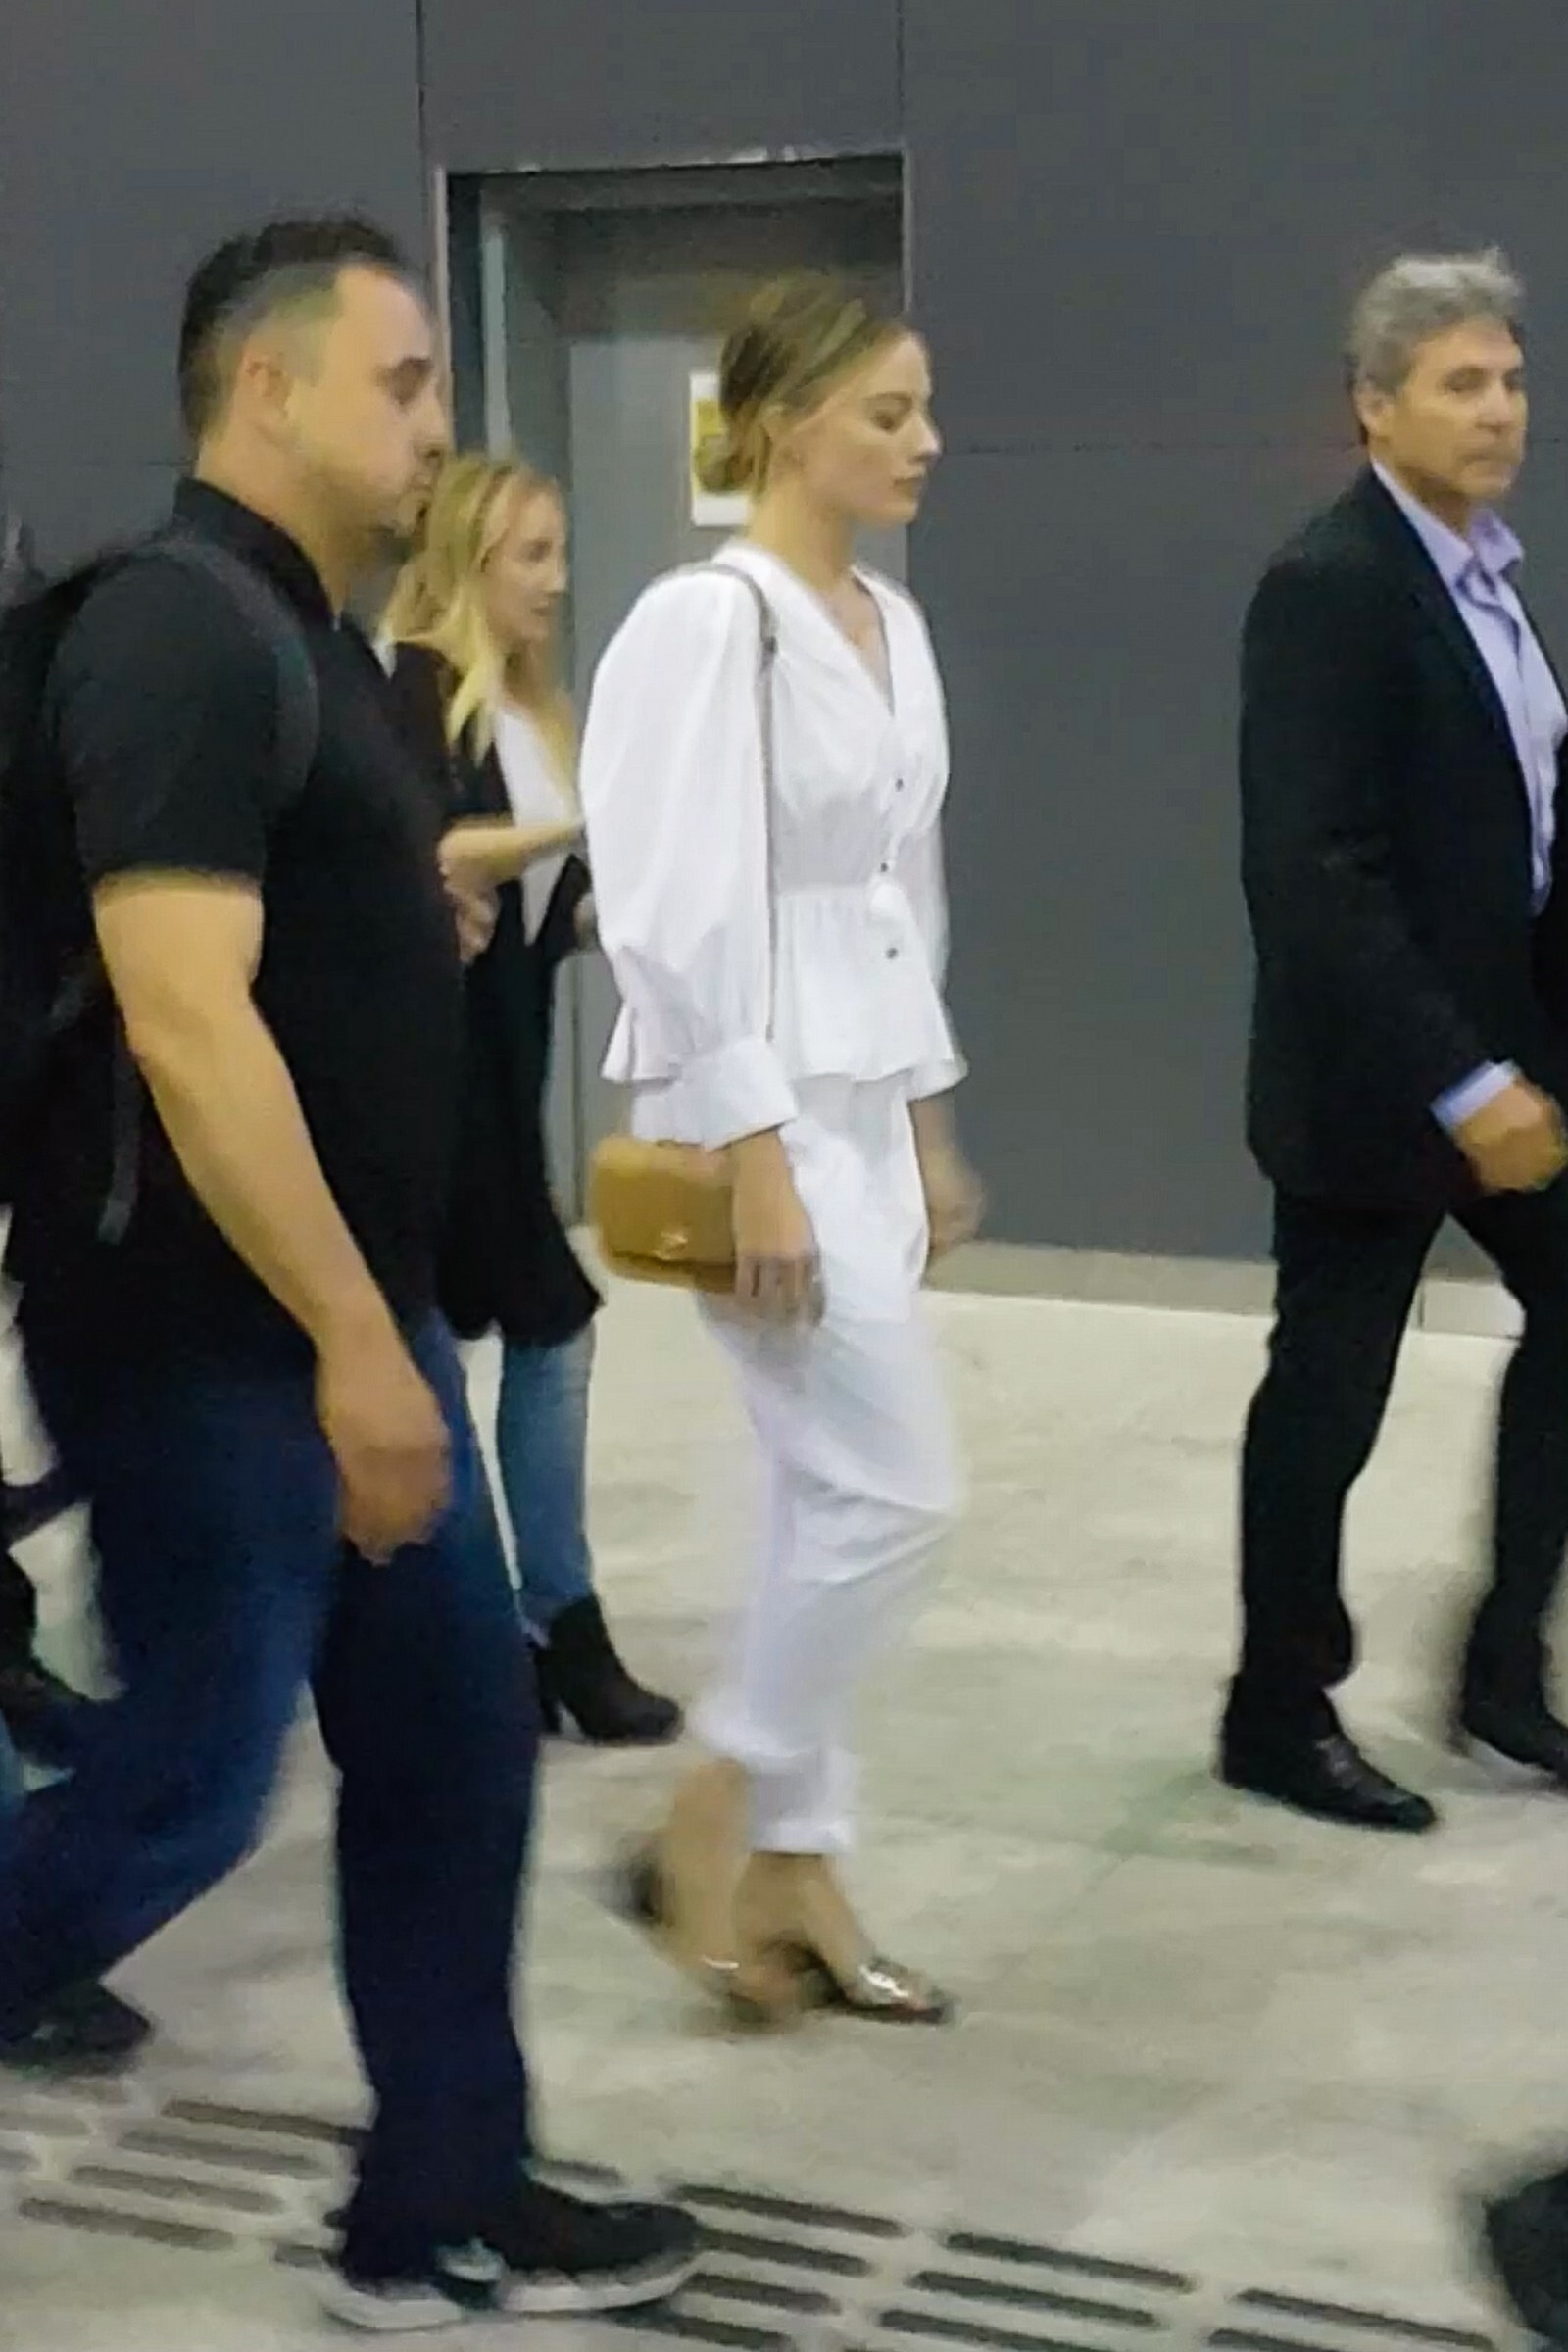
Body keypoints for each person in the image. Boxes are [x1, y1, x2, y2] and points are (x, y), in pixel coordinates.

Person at [0, 216, 695, 2329]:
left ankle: (437, 2206)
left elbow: (283, 939)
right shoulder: (182, 630)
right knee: (192, 1784)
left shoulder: (312, 649)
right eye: (401, 382)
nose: (433, 427)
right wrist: (352, 1348)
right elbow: (182, 1013)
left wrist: (410, 923)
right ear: (265, 387)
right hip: (209, 1338)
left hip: (333, 1317)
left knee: (453, 1753)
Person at [580, 272, 982, 2025]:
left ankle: (802, 1862)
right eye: (887, 412)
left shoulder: (893, 622)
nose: (924, 441)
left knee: (828, 1491)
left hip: (868, 1097)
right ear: (783, 424)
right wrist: (754, 1141)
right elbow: (666, 900)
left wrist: (927, 1120)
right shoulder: (704, 623)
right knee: (900, 1493)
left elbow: (906, 891)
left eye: (924, 408)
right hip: (757, 1102)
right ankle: (716, 1803)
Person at [1228, 247, 1568, 1834]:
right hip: (1381, 1082)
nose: (1500, 410)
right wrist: (1462, 1075)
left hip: (1515, 1058)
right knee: (1330, 1397)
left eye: (1511, 379)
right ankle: (1276, 1709)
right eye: (1460, 383)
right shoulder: (1333, 586)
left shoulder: (1487, 581)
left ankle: (1504, 1668)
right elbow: (1311, 873)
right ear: (1373, 407)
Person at [381, 453, 680, 1745]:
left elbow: (540, 914)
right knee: (545, 1326)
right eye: (531, 557)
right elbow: (435, 852)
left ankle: (503, 1628)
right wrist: (582, 826)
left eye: (559, 553)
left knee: (487, 1335)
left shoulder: (531, 709)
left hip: (502, 1074)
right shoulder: (415, 690)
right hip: (433, 1084)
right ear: (468, 563)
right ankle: (551, 1622)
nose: (555, 582)